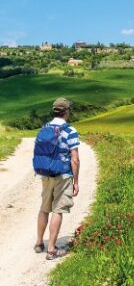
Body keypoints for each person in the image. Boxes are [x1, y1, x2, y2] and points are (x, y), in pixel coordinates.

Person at [34, 97, 80, 260]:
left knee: (44, 208)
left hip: (45, 173)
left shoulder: (45, 127)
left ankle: (39, 243)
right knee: (58, 210)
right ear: (66, 111)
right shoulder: (70, 131)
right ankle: (52, 249)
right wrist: (76, 181)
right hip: (62, 174)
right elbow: (74, 159)